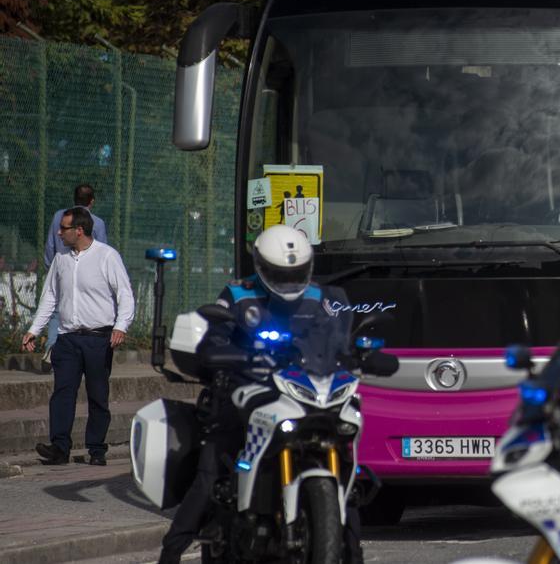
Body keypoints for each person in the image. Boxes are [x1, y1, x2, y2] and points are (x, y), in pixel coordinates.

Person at [159, 225, 364, 564]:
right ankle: (171, 553)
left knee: (350, 473)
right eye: (280, 274)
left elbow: (339, 341)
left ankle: (353, 552)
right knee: (211, 467)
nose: (288, 280)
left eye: (295, 273)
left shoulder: (323, 300)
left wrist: (358, 352)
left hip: (303, 392)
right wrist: (221, 350)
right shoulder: (238, 295)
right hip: (246, 392)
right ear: (261, 266)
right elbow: (214, 336)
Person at [21, 207, 133, 466]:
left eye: (63, 228)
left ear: (79, 230)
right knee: (62, 392)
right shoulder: (61, 259)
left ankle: (96, 449)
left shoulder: (107, 256)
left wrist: (120, 326)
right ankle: (59, 447)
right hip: (67, 338)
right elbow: (50, 296)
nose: (58, 233)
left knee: (97, 394)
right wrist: (34, 330)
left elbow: (125, 294)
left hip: (98, 339)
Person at [41, 184, 109, 358]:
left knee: (57, 308)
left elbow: (50, 244)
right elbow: (101, 252)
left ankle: (52, 346)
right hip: (86, 275)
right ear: (91, 201)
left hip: (60, 268)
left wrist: (51, 266)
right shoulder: (97, 223)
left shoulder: (59, 216)